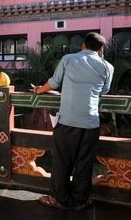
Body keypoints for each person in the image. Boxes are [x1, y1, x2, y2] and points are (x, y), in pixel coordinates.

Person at [33, 32, 114, 211]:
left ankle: (59, 200)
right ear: (101, 50)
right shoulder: (107, 66)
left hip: (68, 122)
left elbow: (54, 83)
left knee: (62, 162)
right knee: (84, 164)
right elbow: (104, 90)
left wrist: (38, 91)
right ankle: (80, 201)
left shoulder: (69, 59)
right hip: (91, 124)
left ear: (83, 46)